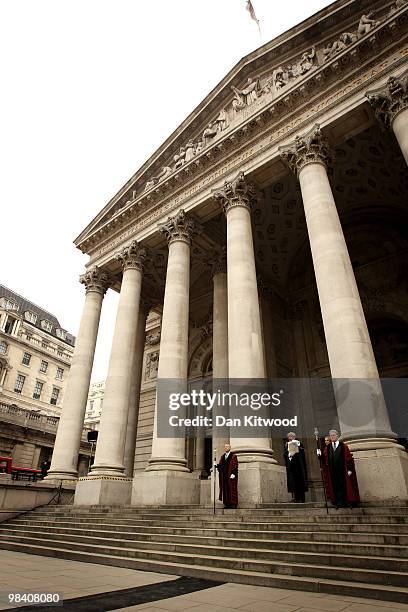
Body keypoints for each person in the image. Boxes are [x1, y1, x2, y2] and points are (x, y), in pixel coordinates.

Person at [321, 430, 360, 508]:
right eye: (331, 435)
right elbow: (325, 460)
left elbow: (348, 458)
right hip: (332, 471)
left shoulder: (343, 446)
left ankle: (347, 501)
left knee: (344, 486)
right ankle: (339, 502)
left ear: (337, 436)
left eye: (334, 435)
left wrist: (349, 469)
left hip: (343, 470)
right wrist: (320, 456)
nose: (332, 437)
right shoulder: (327, 448)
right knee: (335, 487)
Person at [284, 432, 308, 503]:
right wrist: (288, 454)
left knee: (300, 482)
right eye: (289, 437)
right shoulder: (286, 444)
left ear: (294, 437)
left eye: (291, 437)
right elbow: (285, 453)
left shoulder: (298, 443)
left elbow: (302, 451)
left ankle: (302, 498)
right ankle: (296, 498)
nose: (290, 438)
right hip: (291, 466)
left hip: (299, 466)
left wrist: (297, 450)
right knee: (293, 482)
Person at [216, 443, 238, 509]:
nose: (226, 448)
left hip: (230, 475)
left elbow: (235, 465)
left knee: (232, 489)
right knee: (225, 489)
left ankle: (233, 504)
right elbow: (221, 466)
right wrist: (216, 465)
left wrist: (233, 473)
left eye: (227, 447)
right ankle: (227, 504)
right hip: (224, 476)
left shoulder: (233, 456)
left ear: (230, 448)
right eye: (225, 447)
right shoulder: (222, 457)